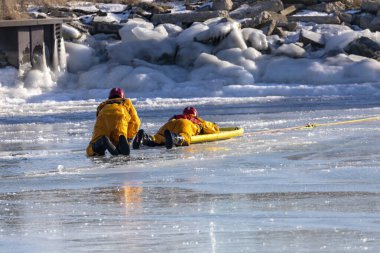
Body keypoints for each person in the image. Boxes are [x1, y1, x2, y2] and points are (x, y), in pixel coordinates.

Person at [133, 106, 220, 149]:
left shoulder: (177, 116)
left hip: (171, 122)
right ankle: (176, 138)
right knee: (185, 135)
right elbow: (210, 128)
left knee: (159, 136)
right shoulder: (196, 119)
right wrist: (215, 127)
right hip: (185, 124)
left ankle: (146, 138)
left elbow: (169, 120)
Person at [86, 87, 140, 156]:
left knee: (90, 149)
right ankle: (119, 145)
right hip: (120, 119)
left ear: (110, 97)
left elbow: (98, 117)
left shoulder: (103, 105)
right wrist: (129, 138)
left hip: (103, 119)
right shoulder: (126, 102)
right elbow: (135, 121)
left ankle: (102, 142)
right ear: (122, 96)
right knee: (119, 140)